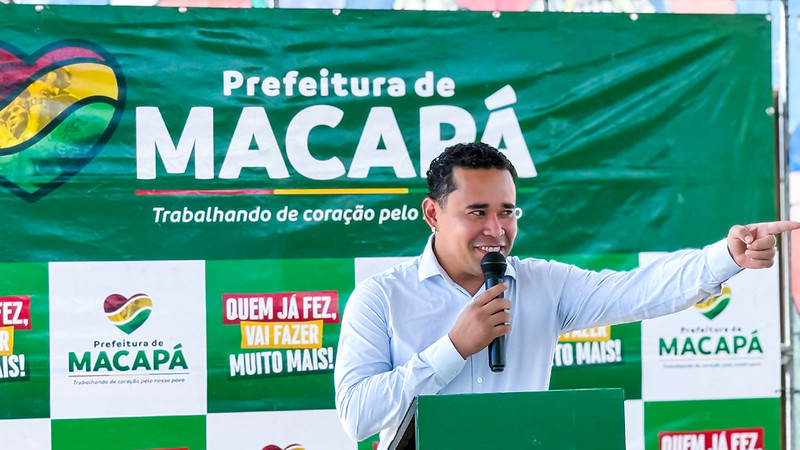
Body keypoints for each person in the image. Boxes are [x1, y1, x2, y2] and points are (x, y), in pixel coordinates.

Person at [333, 141, 799, 448]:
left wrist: (727, 256)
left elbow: (638, 290)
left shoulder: (543, 284)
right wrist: (454, 348)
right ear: (433, 213)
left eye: (507, 212)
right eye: (477, 212)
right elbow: (357, 416)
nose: (496, 229)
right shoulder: (380, 298)